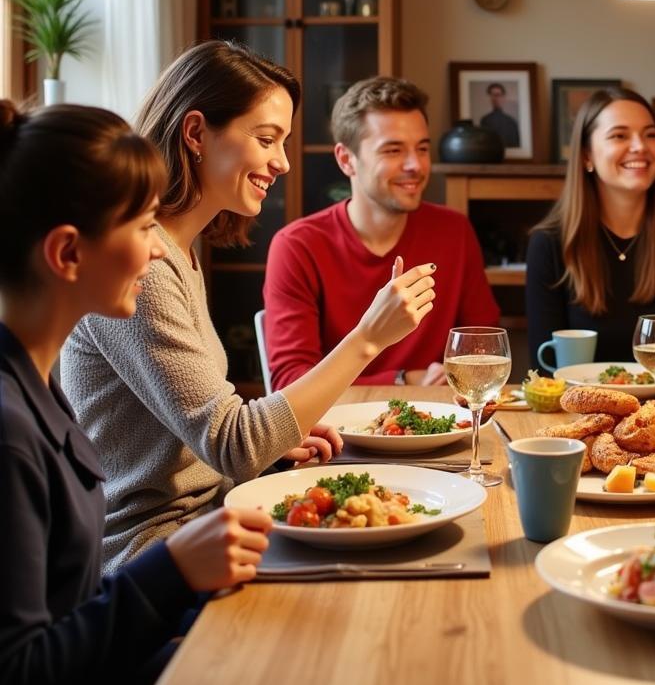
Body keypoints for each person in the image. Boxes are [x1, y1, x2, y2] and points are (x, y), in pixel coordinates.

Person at [62, 42, 436, 570]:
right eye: (266, 139)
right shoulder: (142, 267)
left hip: (209, 521)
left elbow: (213, 443)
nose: (281, 162)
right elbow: (233, 443)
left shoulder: (179, 254)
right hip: (150, 553)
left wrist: (277, 445)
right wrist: (368, 338)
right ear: (195, 134)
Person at [0, 101, 273, 685]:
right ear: (67, 253)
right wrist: (171, 571)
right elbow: (21, 681)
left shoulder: (35, 387)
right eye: (145, 225)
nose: (158, 251)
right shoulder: (11, 434)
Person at [264, 76, 499, 390]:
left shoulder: (454, 231)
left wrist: (461, 372)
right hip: (337, 433)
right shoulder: (297, 246)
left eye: (422, 148)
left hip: (438, 421)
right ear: (346, 160)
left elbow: (484, 345)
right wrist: (403, 380)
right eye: (393, 151)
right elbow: (290, 382)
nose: (415, 165)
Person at [526, 87, 655, 380]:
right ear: (586, 156)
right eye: (620, 136)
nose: (640, 147)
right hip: (577, 416)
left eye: (650, 135)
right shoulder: (549, 243)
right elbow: (545, 371)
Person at [480, 82, 520, 148]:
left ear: (503, 97)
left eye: (498, 95)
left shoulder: (511, 122)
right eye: (492, 95)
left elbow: (516, 146)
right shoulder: (484, 120)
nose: (495, 99)